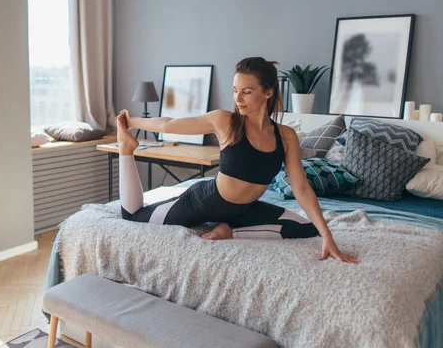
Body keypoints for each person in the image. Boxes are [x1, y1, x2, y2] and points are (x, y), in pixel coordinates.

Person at [116, 57, 358, 264]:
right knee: (132, 216)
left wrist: (327, 235)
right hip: (204, 202)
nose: (238, 99)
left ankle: (229, 229)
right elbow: (168, 124)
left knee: (308, 228)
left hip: (245, 209)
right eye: (235, 91)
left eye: (247, 91)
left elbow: (301, 187)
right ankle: (126, 149)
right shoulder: (225, 122)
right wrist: (133, 122)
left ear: (268, 92)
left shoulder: (286, 136)